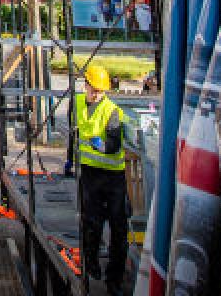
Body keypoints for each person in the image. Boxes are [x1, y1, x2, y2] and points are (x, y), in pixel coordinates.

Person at [65, 63, 129, 293]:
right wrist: (69, 159)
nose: (97, 94)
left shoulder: (112, 111)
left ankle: (114, 280)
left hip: (113, 177)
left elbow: (113, 144)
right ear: (86, 85)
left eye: (101, 91)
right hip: (89, 174)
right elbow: (74, 133)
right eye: (95, 89)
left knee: (118, 229)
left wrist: (103, 146)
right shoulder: (78, 103)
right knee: (91, 223)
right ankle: (90, 262)